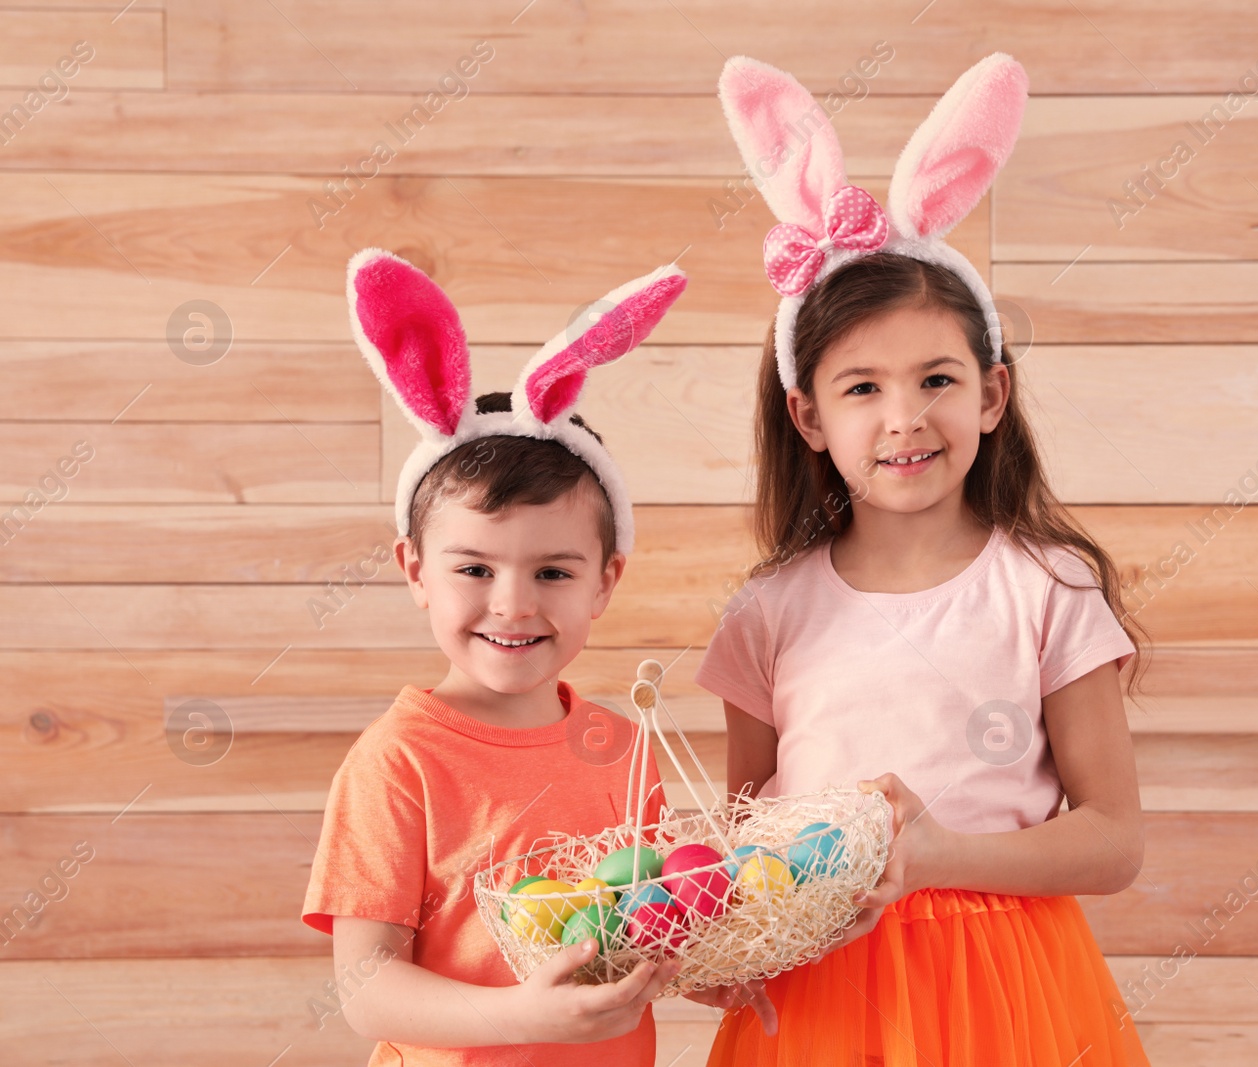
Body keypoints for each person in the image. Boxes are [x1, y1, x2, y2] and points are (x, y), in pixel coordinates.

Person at [697, 54, 1153, 1065]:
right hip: (817, 997)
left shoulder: (1048, 590)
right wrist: (711, 945)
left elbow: (1113, 837)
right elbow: (741, 826)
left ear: (990, 396)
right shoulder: (766, 611)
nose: (904, 416)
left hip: (1005, 986)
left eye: (936, 378)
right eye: (861, 387)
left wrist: (942, 854)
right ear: (808, 416)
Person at [301, 248, 772, 1066]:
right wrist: (524, 1014)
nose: (514, 603)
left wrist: (705, 971)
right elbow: (365, 985)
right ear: (416, 570)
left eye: (552, 571)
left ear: (604, 580)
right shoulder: (398, 760)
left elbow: (626, 933)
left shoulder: (625, 751)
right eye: (474, 568)